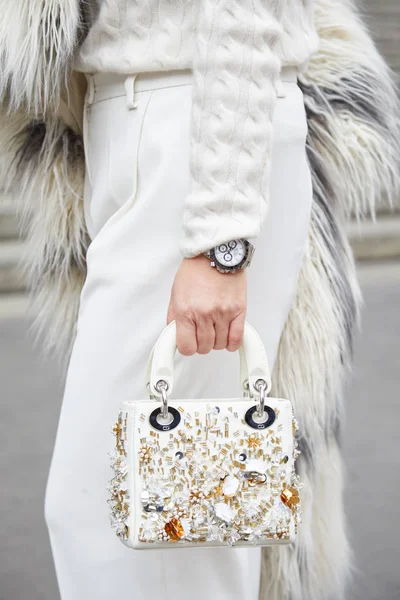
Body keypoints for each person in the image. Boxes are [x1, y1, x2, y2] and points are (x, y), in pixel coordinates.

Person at [0, 1, 398, 599]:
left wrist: (221, 239)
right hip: (144, 128)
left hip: (198, 137)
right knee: (185, 518)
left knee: (145, 517)